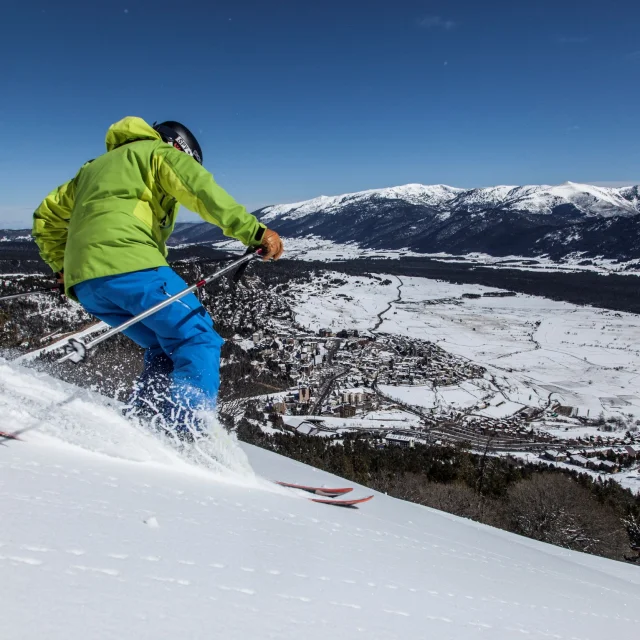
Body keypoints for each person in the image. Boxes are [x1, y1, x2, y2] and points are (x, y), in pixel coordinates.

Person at [33, 116, 284, 435]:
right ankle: (184, 434)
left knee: (164, 345)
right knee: (198, 339)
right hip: (130, 267)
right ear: (178, 146)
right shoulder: (157, 153)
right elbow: (201, 191)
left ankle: (144, 425)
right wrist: (255, 232)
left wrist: (62, 266)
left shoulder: (90, 170)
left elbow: (45, 218)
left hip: (86, 284)